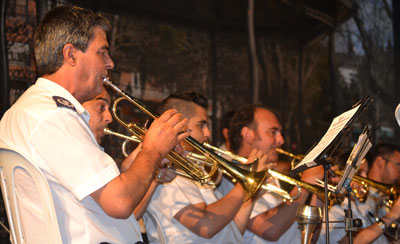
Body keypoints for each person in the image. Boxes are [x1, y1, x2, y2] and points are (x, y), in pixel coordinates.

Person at [0, 6, 189, 243]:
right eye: (102, 52)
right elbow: (119, 202)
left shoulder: (35, 109)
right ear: (70, 54)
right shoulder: (53, 115)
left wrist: (144, 162)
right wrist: (152, 150)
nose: (110, 63)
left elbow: (92, 195)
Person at [142, 92, 266, 243]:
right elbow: (205, 227)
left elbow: (231, 232)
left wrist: (251, 195)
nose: (207, 133)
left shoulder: (197, 168)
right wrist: (244, 186)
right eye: (201, 125)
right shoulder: (167, 171)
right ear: (177, 126)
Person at [220, 104, 324, 243]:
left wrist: (319, 189)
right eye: (273, 132)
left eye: (280, 132)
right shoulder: (228, 176)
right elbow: (269, 230)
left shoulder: (270, 173)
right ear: (248, 135)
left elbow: (310, 237)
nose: (281, 140)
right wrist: (306, 183)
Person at [317, 143, 400, 244]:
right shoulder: (335, 209)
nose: (365, 178)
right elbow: (354, 241)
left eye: (365, 172)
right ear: (339, 177)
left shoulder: (358, 204)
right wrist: (392, 215)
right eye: (359, 173)